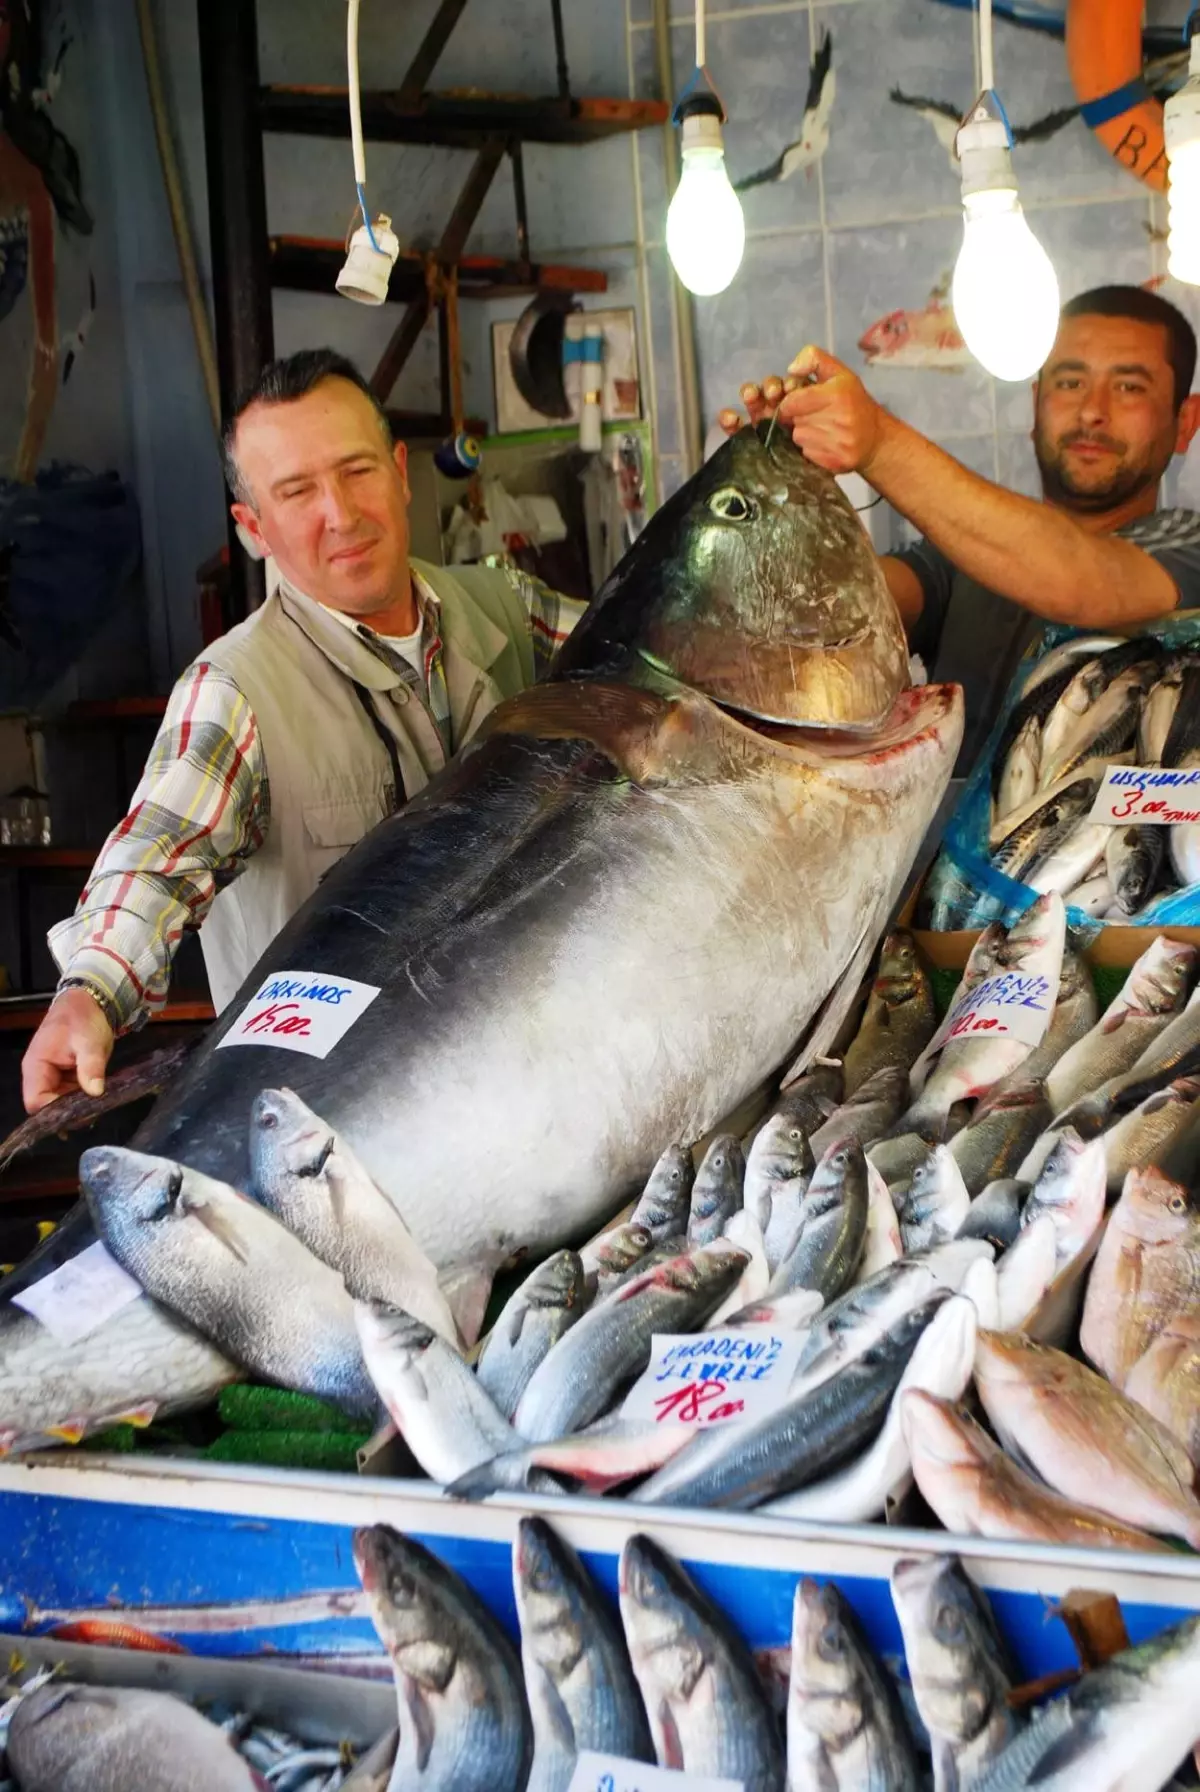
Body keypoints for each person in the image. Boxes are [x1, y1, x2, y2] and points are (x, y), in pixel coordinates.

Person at [21, 348, 586, 1114]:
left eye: (357, 471)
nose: (341, 514)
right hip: (340, 1125)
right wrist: (89, 992)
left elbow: (670, 667)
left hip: (543, 1074)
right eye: (297, 492)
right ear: (252, 527)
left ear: (397, 469)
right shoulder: (235, 690)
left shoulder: (509, 610)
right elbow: (154, 855)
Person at [722, 284, 1200, 768]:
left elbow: (1082, 581)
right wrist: (786, 495)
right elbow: (837, 613)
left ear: (1185, 422)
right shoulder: (958, 554)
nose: (1093, 411)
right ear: (1035, 405)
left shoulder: (1190, 545)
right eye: (1070, 382)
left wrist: (878, 444)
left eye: (1129, 387)